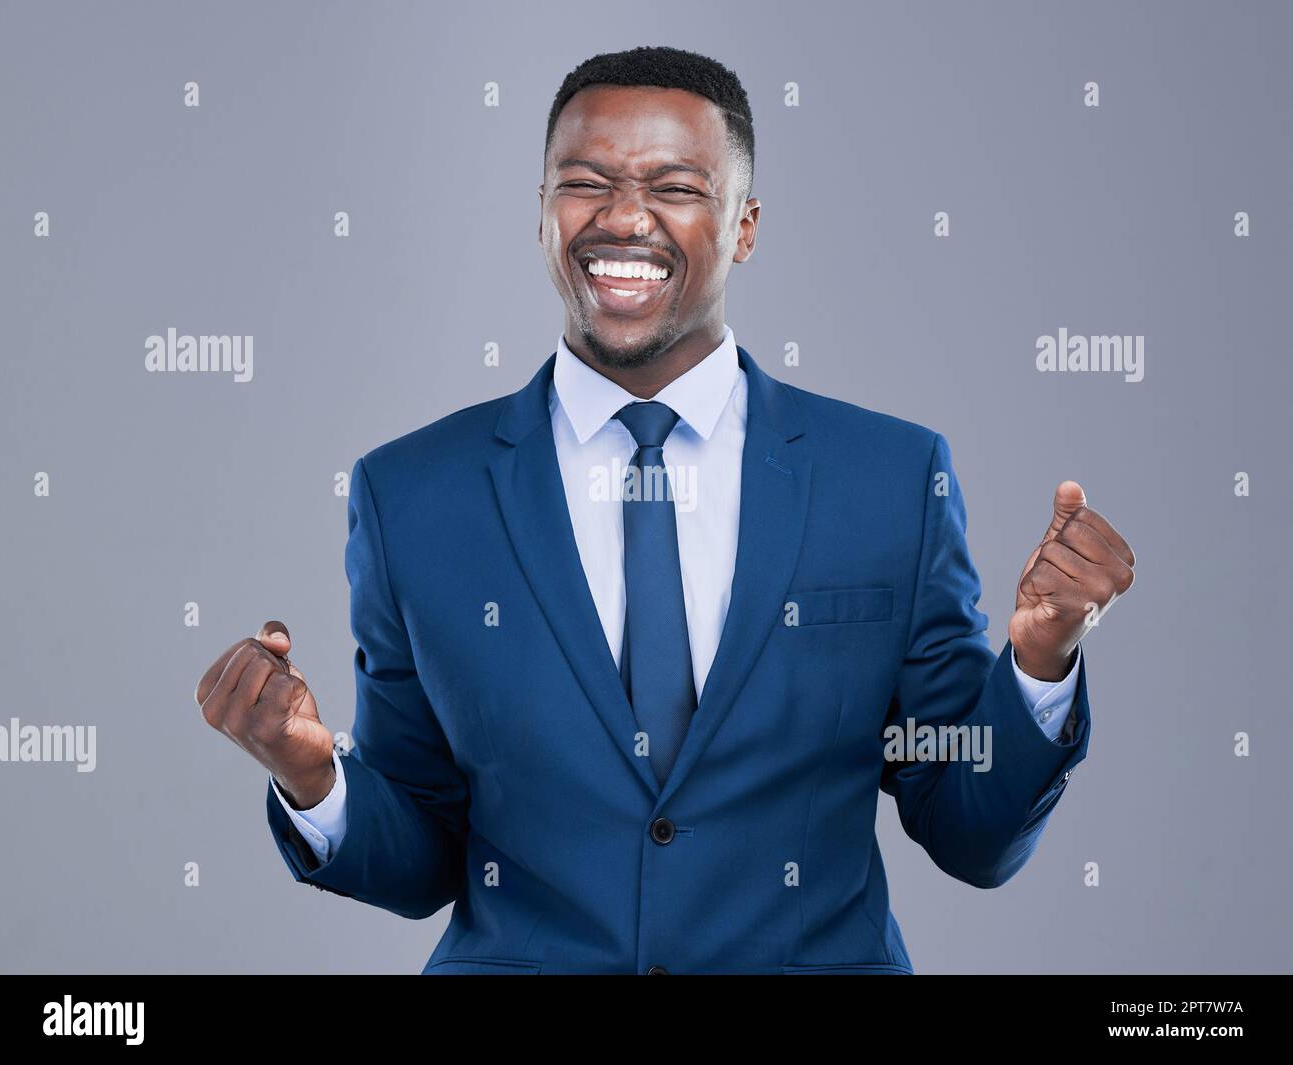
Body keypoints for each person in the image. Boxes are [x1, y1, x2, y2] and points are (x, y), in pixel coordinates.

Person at [195, 45, 1135, 975]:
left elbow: (970, 830)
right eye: (586, 182)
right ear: (541, 216)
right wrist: (313, 776)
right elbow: (426, 853)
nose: (623, 217)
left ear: (745, 225)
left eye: (675, 187)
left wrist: (1041, 662)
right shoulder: (411, 493)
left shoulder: (888, 477)